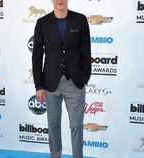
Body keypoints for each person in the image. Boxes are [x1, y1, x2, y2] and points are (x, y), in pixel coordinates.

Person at [32, 0, 91, 158]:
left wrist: (84, 77)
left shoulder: (80, 20)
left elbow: (86, 50)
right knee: (53, 126)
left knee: (76, 126)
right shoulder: (42, 23)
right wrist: (38, 85)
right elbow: (37, 56)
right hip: (50, 83)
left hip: (75, 82)